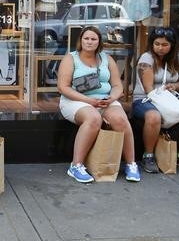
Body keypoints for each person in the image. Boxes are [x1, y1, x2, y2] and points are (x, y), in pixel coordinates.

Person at [58, 26, 139, 183]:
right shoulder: (70, 58)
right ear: (80, 40)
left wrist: (112, 98)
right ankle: (76, 166)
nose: (89, 41)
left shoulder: (106, 59)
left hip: (104, 100)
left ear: (99, 41)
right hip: (76, 100)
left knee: (121, 120)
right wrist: (89, 101)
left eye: (93, 39)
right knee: (93, 118)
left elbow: (117, 85)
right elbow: (63, 87)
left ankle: (131, 164)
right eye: (86, 38)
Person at [132, 27, 179, 173]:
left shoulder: (176, 58)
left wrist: (173, 86)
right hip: (145, 99)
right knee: (154, 116)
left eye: (164, 45)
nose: (160, 48)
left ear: (172, 45)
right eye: (157, 44)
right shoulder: (147, 58)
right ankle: (148, 156)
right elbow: (148, 89)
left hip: (169, 99)